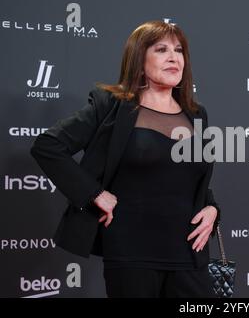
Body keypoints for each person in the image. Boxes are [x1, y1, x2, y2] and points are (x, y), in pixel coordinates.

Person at [30, 20, 221, 298]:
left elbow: (188, 177)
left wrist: (213, 209)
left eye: (179, 50)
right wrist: (94, 193)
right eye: (161, 49)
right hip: (132, 253)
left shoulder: (196, 114)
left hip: (190, 253)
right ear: (139, 59)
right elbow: (47, 146)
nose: (173, 57)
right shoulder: (112, 105)